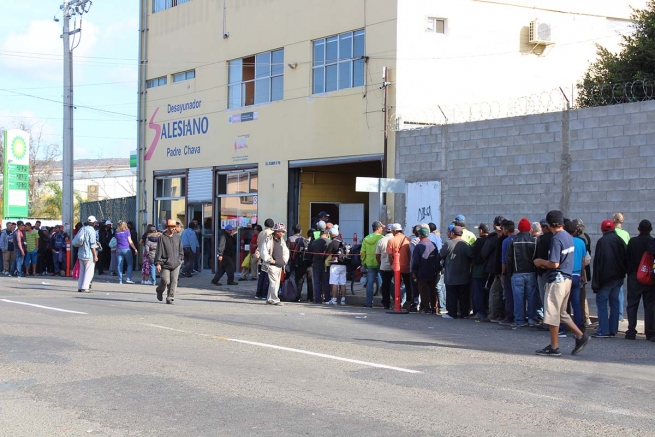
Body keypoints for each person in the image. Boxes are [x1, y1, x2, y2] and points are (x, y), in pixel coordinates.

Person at [533, 210, 589, 357]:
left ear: (549, 224)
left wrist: (540, 262)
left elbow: (554, 263)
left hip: (557, 280)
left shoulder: (556, 239)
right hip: (567, 278)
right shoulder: (568, 237)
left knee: (552, 313)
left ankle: (554, 347)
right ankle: (580, 335)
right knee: (561, 313)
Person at [591, 220, 627, 338]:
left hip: (606, 278)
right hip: (618, 277)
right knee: (614, 302)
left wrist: (596, 282)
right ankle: (613, 329)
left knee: (601, 302)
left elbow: (598, 263)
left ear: (602, 230)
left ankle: (603, 330)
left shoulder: (602, 241)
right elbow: (626, 258)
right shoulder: (620, 240)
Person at [624, 220, 655, 340]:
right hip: (650, 278)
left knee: (632, 304)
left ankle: (631, 331)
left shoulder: (633, 242)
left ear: (638, 228)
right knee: (650, 305)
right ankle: (650, 332)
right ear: (651, 229)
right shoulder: (653, 242)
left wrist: (629, 271)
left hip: (634, 276)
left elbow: (626, 259)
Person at [506, 218, 538, 327]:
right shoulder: (534, 241)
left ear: (519, 229)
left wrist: (509, 273)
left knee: (518, 298)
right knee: (531, 297)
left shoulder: (513, 241)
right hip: (531, 272)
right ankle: (532, 319)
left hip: (517, 273)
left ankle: (519, 320)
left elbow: (509, 259)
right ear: (529, 228)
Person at [440, 226, 472, 319]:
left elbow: (441, 254)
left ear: (453, 233)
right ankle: (464, 313)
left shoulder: (448, 243)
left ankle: (452, 313)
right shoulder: (466, 244)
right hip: (464, 275)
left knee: (451, 296)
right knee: (463, 296)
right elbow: (471, 256)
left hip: (451, 275)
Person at [564, 221, 590, 332]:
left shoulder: (564, 241)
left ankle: (564, 327)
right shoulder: (581, 242)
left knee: (564, 304)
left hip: (565, 275)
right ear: (575, 230)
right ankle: (578, 328)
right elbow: (583, 261)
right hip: (577, 275)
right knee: (576, 304)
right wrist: (582, 275)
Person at [154, 219, 184, 304]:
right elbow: (158, 251)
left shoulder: (177, 237)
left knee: (174, 281)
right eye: (171, 227)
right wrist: (158, 263)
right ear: (167, 227)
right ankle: (159, 291)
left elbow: (181, 250)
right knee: (165, 280)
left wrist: (180, 260)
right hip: (165, 263)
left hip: (176, 263)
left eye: (174, 226)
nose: (173, 228)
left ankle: (170, 297)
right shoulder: (162, 238)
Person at [482, 216, 506, 322]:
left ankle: (495, 314)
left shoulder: (493, 238)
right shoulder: (509, 236)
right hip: (503, 269)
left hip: (495, 269)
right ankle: (499, 314)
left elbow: (484, 253)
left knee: (495, 292)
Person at [411, 226, 439, 314]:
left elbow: (415, 261)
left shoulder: (419, 246)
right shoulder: (433, 244)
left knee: (423, 290)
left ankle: (426, 308)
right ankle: (434, 308)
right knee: (432, 290)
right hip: (432, 271)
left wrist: (414, 271)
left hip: (422, 271)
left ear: (420, 235)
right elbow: (437, 258)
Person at [260, 223, 289, 305]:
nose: (283, 233)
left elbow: (286, 251)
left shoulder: (281, 240)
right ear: (277, 232)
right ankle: (275, 299)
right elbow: (264, 250)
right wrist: (269, 260)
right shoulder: (269, 239)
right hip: (272, 265)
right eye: (282, 232)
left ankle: (270, 299)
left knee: (275, 283)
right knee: (274, 282)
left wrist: (284, 261)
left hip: (279, 264)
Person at [360, 221, 385, 308]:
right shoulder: (382, 238)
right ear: (378, 228)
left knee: (369, 283)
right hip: (380, 263)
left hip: (369, 263)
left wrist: (364, 262)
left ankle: (368, 302)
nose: (382, 229)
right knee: (383, 283)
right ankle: (385, 301)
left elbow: (362, 252)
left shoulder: (366, 238)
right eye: (381, 227)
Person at [325, 227, 349, 305]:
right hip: (343, 265)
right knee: (343, 283)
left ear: (331, 234)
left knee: (334, 282)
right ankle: (343, 300)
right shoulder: (342, 241)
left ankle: (334, 299)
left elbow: (327, 253)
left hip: (335, 265)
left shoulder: (333, 242)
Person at [471, 223, 490, 319]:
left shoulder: (478, 242)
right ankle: (487, 311)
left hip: (478, 271)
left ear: (481, 231)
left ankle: (480, 312)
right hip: (489, 271)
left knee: (478, 293)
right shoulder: (491, 240)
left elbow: (472, 254)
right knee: (487, 293)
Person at [499, 220, 517, 325]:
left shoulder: (506, 241)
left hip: (510, 272)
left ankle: (510, 316)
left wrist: (503, 272)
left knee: (509, 294)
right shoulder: (518, 239)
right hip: (521, 270)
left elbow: (504, 260)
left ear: (505, 230)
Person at [76, 216, 99, 293]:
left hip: (81, 253)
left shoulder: (83, 228)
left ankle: (80, 286)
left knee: (82, 271)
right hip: (89, 254)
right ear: (94, 223)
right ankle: (85, 287)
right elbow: (92, 244)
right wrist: (95, 255)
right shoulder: (91, 230)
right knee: (89, 271)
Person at [376, 225, 396, 309]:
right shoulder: (396, 240)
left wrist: (380, 262)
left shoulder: (381, 240)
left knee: (385, 284)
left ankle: (386, 303)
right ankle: (398, 301)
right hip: (396, 266)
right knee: (398, 284)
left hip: (384, 266)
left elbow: (377, 254)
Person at [255, 219, 274, 299]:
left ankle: (258, 293)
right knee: (267, 276)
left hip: (260, 257)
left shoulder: (261, 233)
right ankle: (264, 294)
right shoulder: (271, 234)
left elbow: (258, 244)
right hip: (268, 257)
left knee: (261, 276)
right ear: (272, 225)